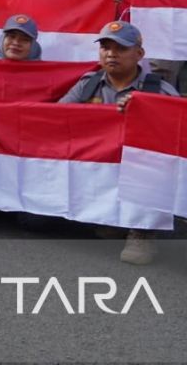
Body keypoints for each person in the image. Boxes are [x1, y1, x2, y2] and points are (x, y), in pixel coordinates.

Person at [58, 20, 178, 266]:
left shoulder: (159, 91)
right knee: (34, 222)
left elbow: (177, 135)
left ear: (139, 54)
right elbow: (56, 119)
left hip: (140, 173)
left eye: (121, 48)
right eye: (105, 47)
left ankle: (141, 232)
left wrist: (146, 112)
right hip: (98, 166)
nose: (111, 53)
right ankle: (110, 218)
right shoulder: (88, 83)